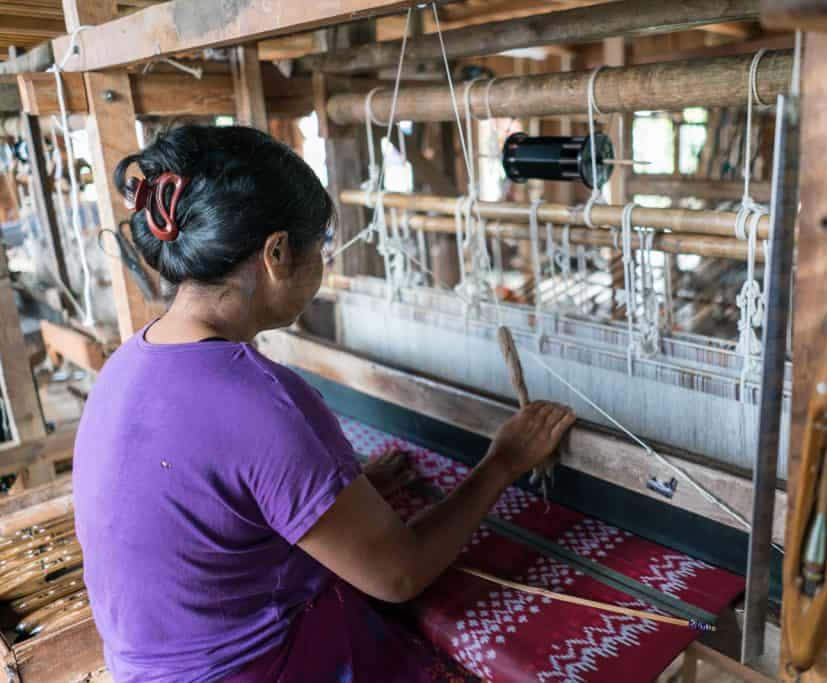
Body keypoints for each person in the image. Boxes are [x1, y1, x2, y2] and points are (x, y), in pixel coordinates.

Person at [72, 125, 575, 682]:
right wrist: (501, 463)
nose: (325, 264)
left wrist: (341, 498)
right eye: (321, 248)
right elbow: (399, 574)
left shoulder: (127, 365)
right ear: (278, 253)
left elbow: (215, 503)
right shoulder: (264, 402)